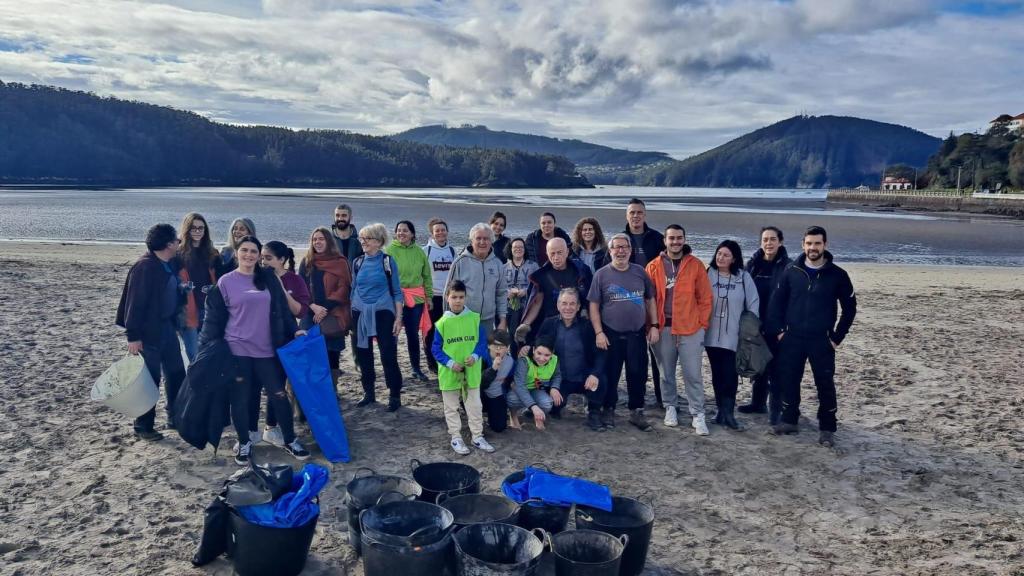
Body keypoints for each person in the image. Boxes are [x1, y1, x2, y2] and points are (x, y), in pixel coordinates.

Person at [202, 235, 309, 465]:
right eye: (244, 250)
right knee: (240, 398)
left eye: (253, 251)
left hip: (267, 349)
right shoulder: (226, 281)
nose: (249, 255)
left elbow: (281, 308)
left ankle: (289, 439)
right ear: (237, 252)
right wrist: (207, 346)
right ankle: (244, 442)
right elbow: (214, 318)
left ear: (259, 255)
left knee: (279, 395)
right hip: (237, 348)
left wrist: (294, 331)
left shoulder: (268, 277)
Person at [767, 226, 857, 447]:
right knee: (790, 380)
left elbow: (850, 308)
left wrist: (837, 337)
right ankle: (789, 420)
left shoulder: (838, 275)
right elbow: (776, 303)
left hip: (822, 339)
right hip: (793, 338)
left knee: (824, 383)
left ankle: (827, 428)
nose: (812, 248)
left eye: (817, 243)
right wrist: (780, 332)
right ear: (803, 245)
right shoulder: (791, 271)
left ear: (825, 244)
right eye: (809, 243)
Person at [115, 223, 186, 441]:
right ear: (167, 244)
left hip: (166, 328)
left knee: (176, 374)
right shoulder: (145, 267)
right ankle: (143, 426)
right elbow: (134, 304)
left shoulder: (169, 263)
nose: (179, 243)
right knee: (149, 380)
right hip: (147, 333)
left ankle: (175, 417)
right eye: (176, 240)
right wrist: (133, 337)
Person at [646, 225, 713, 435]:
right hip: (663, 329)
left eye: (679, 238)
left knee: (692, 373)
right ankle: (670, 407)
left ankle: (697, 413)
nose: (676, 242)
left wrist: (702, 325)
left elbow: (705, 298)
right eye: (671, 238)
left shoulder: (695, 265)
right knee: (666, 373)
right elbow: (649, 300)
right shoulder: (654, 266)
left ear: (684, 239)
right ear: (665, 241)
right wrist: (652, 326)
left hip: (690, 329)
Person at [588, 234, 659, 431]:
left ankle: (636, 411)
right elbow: (594, 305)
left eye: (624, 247)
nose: (620, 251)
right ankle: (608, 408)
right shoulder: (601, 275)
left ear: (630, 250)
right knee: (611, 374)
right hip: (610, 333)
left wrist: (654, 325)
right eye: (616, 247)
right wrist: (598, 332)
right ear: (610, 251)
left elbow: (650, 299)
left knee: (637, 373)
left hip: (636, 333)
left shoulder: (640, 272)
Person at [431, 280, 495, 455]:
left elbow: (482, 342)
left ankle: (477, 436)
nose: (457, 301)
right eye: (454, 297)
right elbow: (435, 349)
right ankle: (456, 437)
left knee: (474, 405)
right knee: (451, 407)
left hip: (471, 372)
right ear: (447, 297)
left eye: (461, 297)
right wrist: (450, 363)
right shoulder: (442, 323)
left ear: (465, 297)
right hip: (450, 373)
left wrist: (475, 356)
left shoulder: (474, 318)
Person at [704, 240, 759, 431]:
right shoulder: (708, 274)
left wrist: (750, 331)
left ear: (734, 258)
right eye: (719, 253)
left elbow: (753, 305)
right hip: (711, 336)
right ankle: (720, 411)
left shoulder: (743, 277)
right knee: (717, 374)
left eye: (726, 255)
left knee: (730, 375)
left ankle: (729, 412)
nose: (721, 258)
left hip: (734, 337)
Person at [260, 240, 311, 446]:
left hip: (284, 338)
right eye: (262, 257)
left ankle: (272, 426)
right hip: (258, 338)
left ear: (282, 260)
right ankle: (260, 430)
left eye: (268, 258)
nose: (263, 262)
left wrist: (279, 286)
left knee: (278, 385)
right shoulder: (257, 277)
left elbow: (299, 311)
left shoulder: (295, 280)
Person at [739, 226, 791, 422]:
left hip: (777, 327)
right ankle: (758, 404)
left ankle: (776, 411)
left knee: (777, 370)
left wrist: (785, 327)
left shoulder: (788, 266)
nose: (768, 243)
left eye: (772, 239)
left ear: (780, 242)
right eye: (765, 239)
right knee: (759, 367)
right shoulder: (753, 265)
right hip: (755, 325)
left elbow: (792, 299)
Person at [351, 223, 405, 411]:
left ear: (379, 242)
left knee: (388, 354)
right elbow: (353, 289)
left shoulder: (388, 262)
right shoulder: (357, 262)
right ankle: (369, 392)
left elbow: (397, 292)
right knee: (363, 354)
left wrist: (398, 318)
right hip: (360, 311)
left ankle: (394, 395)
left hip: (383, 310)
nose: (363, 241)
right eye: (362, 238)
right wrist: (353, 310)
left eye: (368, 238)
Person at [535, 288, 606, 431]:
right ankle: (552, 408)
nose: (568, 308)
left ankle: (594, 412)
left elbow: (600, 354)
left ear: (579, 306)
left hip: (583, 377)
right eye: (564, 303)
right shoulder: (549, 324)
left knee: (601, 379)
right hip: (560, 380)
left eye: (572, 304)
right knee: (554, 407)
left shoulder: (587, 326)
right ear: (558, 305)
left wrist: (594, 374)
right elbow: (538, 348)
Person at [298, 227, 353, 391]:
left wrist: (325, 308)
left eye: (321, 239)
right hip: (310, 312)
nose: (317, 242)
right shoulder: (307, 261)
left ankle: (332, 389)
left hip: (333, 312)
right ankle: (315, 388)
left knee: (332, 353)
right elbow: (302, 287)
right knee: (310, 351)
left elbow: (344, 288)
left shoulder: (340, 261)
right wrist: (314, 307)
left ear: (329, 241)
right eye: (315, 239)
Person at [623, 198, 665, 407]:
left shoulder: (657, 239)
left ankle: (661, 397)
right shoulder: (621, 240)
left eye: (639, 212)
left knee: (657, 352)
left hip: (654, 301)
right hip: (628, 304)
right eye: (632, 213)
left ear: (645, 215)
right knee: (636, 357)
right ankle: (636, 397)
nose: (636, 216)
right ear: (627, 215)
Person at [516, 237, 593, 344]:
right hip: (550, 326)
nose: (556, 257)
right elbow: (536, 303)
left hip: (576, 325)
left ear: (567, 252)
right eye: (552, 253)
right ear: (547, 254)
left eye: (560, 253)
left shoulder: (581, 271)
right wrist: (526, 324)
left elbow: (591, 299)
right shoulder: (541, 275)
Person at [385, 220, 432, 382]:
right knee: (393, 335)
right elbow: (384, 275)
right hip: (394, 299)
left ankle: (416, 368)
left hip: (416, 298)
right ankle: (392, 369)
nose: (401, 233)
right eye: (399, 230)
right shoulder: (389, 250)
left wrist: (429, 297)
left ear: (412, 233)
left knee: (413, 335)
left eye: (405, 230)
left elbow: (426, 276)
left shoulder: (419, 252)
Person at [445, 223, 508, 338]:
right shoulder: (460, 262)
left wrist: (502, 320)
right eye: (478, 238)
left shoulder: (497, 264)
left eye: (486, 239)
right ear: (472, 240)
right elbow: (448, 294)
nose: (482, 242)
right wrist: (448, 319)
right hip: (463, 319)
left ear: (491, 241)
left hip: (488, 321)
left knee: (485, 354)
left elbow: (501, 293)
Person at [175, 213, 218, 362]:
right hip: (187, 310)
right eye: (193, 228)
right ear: (187, 230)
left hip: (208, 308)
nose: (198, 231)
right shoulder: (178, 254)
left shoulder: (212, 253)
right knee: (193, 354)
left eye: (201, 228)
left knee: (208, 351)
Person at [423, 217, 458, 373]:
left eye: (443, 230)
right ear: (432, 233)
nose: (440, 233)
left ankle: (446, 360)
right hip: (432, 297)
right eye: (437, 230)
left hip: (448, 298)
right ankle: (432, 363)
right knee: (431, 331)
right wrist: (427, 296)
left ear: (447, 232)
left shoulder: (452, 251)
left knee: (447, 331)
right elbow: (422, 275)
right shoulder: (426, 251)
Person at [507, 338, 560, 430]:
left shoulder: (555, 360)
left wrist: (554, 388)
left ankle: (536, 416)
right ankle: (513, 416)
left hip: (537, 389)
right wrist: (533, 406)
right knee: (512, 399)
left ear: (552, 353)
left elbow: (557, 375)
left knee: (547, 403)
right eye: (539, 353)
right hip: (520, 389)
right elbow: (519, 386)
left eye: (547, 355)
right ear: (533, 349)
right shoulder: (524, 361)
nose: (542, 358)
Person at [503, 237, 539, 340]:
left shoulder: (533, 266)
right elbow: (498, 287)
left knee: (526, 335)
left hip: (527, 306)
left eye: (521, 247)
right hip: (508, 308)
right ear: (510, 249)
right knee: (511, 335)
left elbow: (539, 286)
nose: (518, 249)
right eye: (515, 247)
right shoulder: (503, 268)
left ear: (525, 249)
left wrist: (526, 291)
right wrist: (506, 293)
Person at [480, 329, 515, 433]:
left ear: (508, 347)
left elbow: (510, 379)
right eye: (495, 346)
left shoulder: (511, 361)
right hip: (480, 393)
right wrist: (493, 369)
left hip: (497, 394)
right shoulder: (481, 357)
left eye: (502, 346)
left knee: (499, 427)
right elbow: (480, 383)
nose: (498, 349)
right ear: (488, 345)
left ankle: (492, 412)